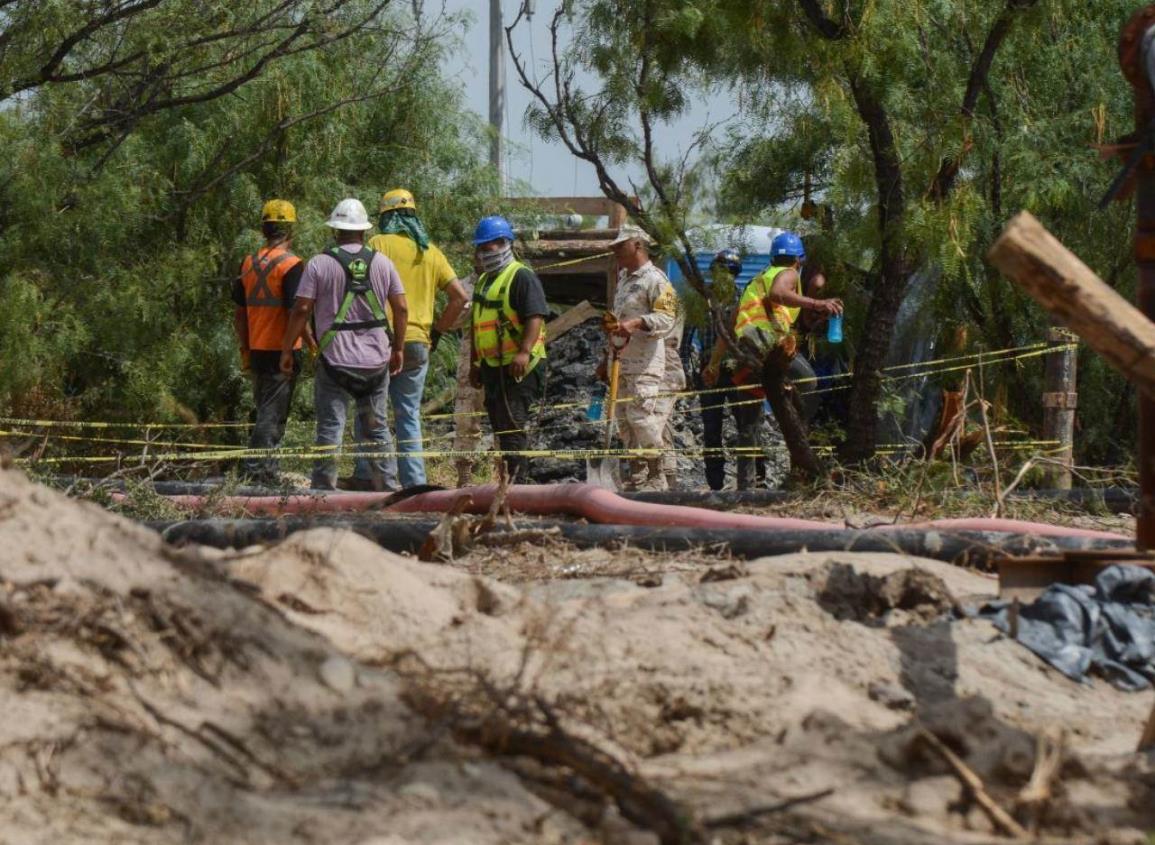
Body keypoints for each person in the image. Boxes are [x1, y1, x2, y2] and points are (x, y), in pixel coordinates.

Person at [280, 198, 408, 491]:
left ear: (335, 231)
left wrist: (288, 349)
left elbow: (300, 310)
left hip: (335, 362)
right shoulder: (383, 263)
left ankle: (323, 493)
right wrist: (398, 348)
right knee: (377, 431)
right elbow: (401, 308)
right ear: (364, 231)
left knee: (330, 429)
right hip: (375, 363)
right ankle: (388, 489)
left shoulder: (319, 264)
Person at [366, 189, 468, 489]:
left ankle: (376, 479)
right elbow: (460, 298)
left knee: (372, 414)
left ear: (386, 217)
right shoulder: (431, 251)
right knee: (408, 415)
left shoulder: (377, 244)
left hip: (382, 342)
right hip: (419, 343)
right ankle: (414, 484)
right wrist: (436, 332)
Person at [733, 231, 842, 478]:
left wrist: (716, 363)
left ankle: (745, 487)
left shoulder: (757, 279)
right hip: (764, 344)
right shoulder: (790, 273)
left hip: (744, 350)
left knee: (748, 425)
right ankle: (802, 454)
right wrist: (817, 304)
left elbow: (734, 320)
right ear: (799, 260)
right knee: (810, 385)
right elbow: (778, 293)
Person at [232, 199, 312, 484]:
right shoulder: (292, 265)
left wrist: (245, 349)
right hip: (282, 350)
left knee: (264, 408)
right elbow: (296, 312)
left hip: (256, 349)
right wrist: (305, 345)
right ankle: (257, 473)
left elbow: (239, 315)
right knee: (272, 414)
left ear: (263, 229)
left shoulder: (247, 263)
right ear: (291, 230)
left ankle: (265, 470)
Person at [468, 215, 548, 483]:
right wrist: (475, 363)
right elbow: (477, 325)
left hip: (518, 367)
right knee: (501, 429)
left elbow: (535, 315)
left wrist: (524, 352)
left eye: (488, 248)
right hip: (493, 367)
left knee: (513, 428)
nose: (483, 254)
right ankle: (509, 484)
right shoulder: (484, 281)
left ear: (505, 244)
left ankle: (518, 488)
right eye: (481, 248)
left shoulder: (521, 276)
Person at [601, 223, 679, 491]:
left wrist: (636, 323)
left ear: (637, 245)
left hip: (645, 363)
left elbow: (667, 318)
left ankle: (656, 475)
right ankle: (638, 474)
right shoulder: (624, 280)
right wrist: (606, 356)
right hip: (621, 362)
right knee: (624, 421)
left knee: (642, 419)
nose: (616, 252)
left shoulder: (656, 280)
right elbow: (617, 321)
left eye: (620, 246)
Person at [681, 248, 766, 490]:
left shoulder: (744, 301)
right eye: (719, 271)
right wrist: (689, 373)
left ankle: (756, 481)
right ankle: (715, 486)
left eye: (729, 272)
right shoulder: (701, 302)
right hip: (709, 373)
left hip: (739, 372)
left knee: (747, 427)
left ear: (735, 274)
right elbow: (685, 341)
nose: (723, 277)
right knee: (711, 431)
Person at [452, 256, 486, 487]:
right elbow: (454, 320)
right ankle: (464, 477)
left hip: (503, 359)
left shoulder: (511, 279)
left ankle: (508, 476)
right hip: (470, 362)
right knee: (466, 418)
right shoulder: (464, 287)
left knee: (507, 419)